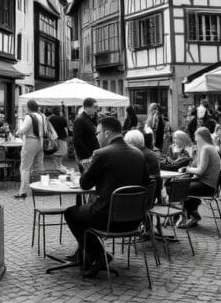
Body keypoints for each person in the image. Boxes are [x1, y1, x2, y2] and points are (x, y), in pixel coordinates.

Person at [63, 116, 148, 277]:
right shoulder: (138, 154)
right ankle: (90, 256)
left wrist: (88, 168)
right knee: (84, 213)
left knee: (71, 213)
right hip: (134, 220)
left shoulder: (102, 154)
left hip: (107, 218)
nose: (97, 136)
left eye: (98, 132)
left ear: (107, 133)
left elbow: (84, 184)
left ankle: (98, 255)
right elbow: (144, 183)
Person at [177, 127, 221, 228]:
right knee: (188, 186)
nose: (195, 140)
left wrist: (187, 169)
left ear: (201, 137)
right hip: (210, 185)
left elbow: (201, 170)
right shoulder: (210, 147)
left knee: (183, 188)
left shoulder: (206, 148)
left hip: (207, 186)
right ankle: (192, 215)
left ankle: (189, 216)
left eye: (196, 138)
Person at [14, 99, 52, 199]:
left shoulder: (29, 116)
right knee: (39, 165)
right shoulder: (43, 116)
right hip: (41, 142)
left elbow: (23, 130)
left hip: (30, 141)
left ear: (28, 107)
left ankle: (23, 192)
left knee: (25, 168)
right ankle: (41, 189)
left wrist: (18, 130)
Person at [71, 97, 100, 171]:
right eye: (95, 107)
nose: (97, 109)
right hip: (86, 156)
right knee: (87, 178)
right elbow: (76, 140)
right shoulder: (80, 120)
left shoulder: (89, 118)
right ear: (87, 107)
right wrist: (87, 155)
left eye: (97, 107)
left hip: (91, 154)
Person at [48, 106, 70, 171]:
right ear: (59, 111)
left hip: (53, 138)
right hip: (62, 137)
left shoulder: (49, 119)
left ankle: (57, 165)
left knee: (53, 152)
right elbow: (66, 128)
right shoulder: (62, 118)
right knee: (63, 152)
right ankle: (60, 164)